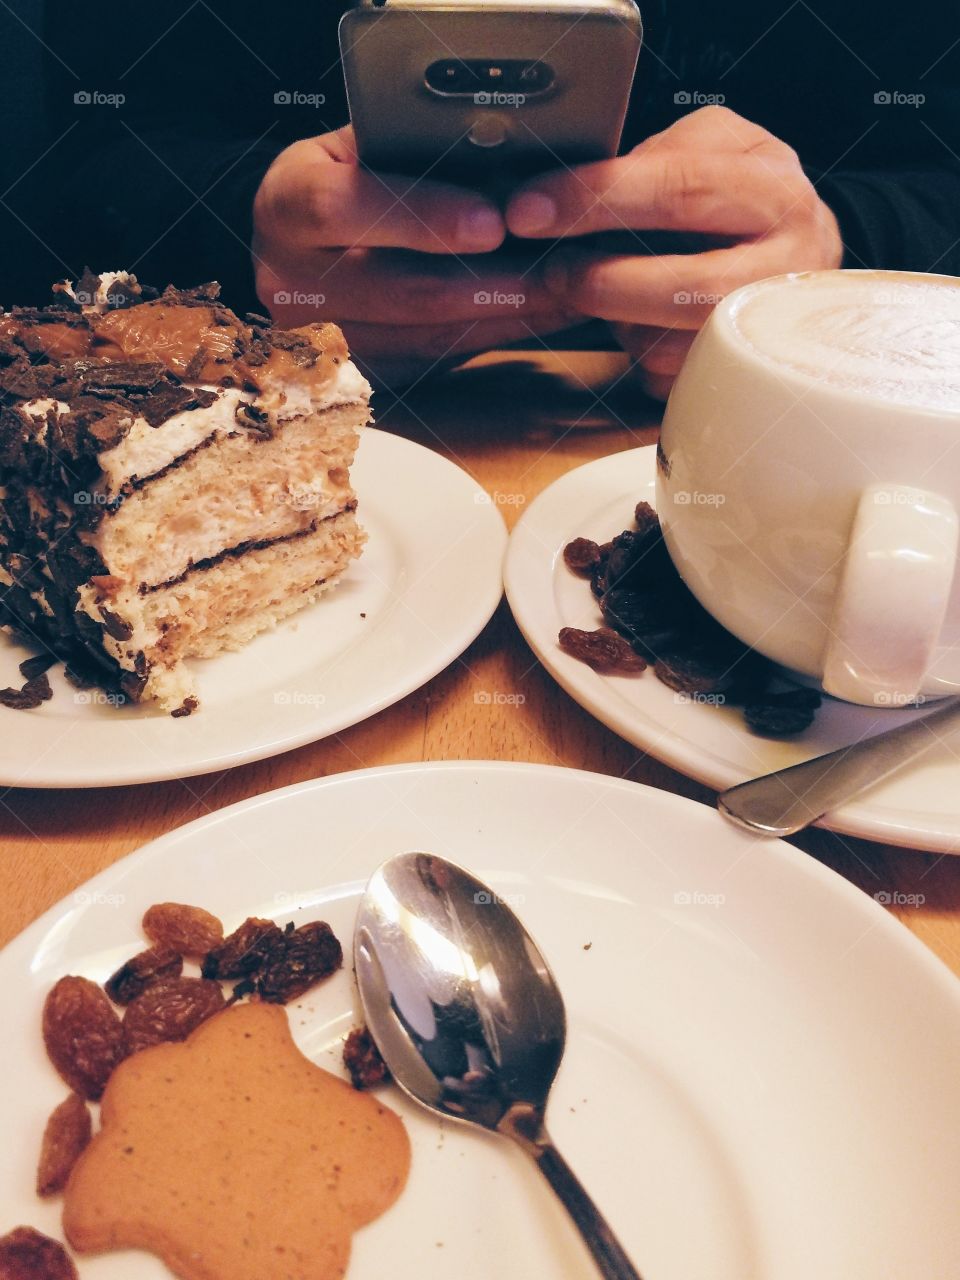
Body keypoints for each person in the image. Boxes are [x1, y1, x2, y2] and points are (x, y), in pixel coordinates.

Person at [35, 1, 960, 397]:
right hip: (274, 418)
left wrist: (836, 258)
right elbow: (60, 173)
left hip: (765, 451)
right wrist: (248, 235)